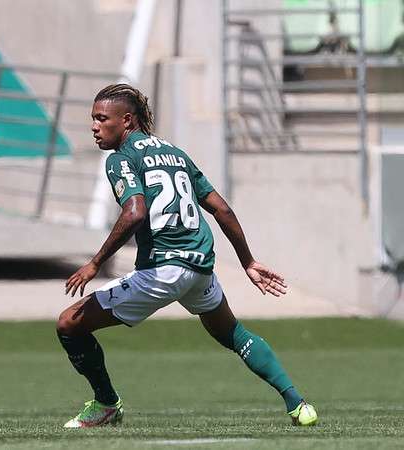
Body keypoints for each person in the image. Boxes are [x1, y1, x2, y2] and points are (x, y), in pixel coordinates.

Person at [57, 83, 317, 428]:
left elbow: (135, 211)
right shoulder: (175, 153)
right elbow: (220, 209)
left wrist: (94, 263)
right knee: (233, 334)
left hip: (163, 271)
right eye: (93, 118)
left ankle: (106, 403)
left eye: (102, 118)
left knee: (69, 324)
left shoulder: (121, 158)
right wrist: (248, 261)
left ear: (127, 121)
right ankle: (298, 403)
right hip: (199, 266)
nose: (94, 126)